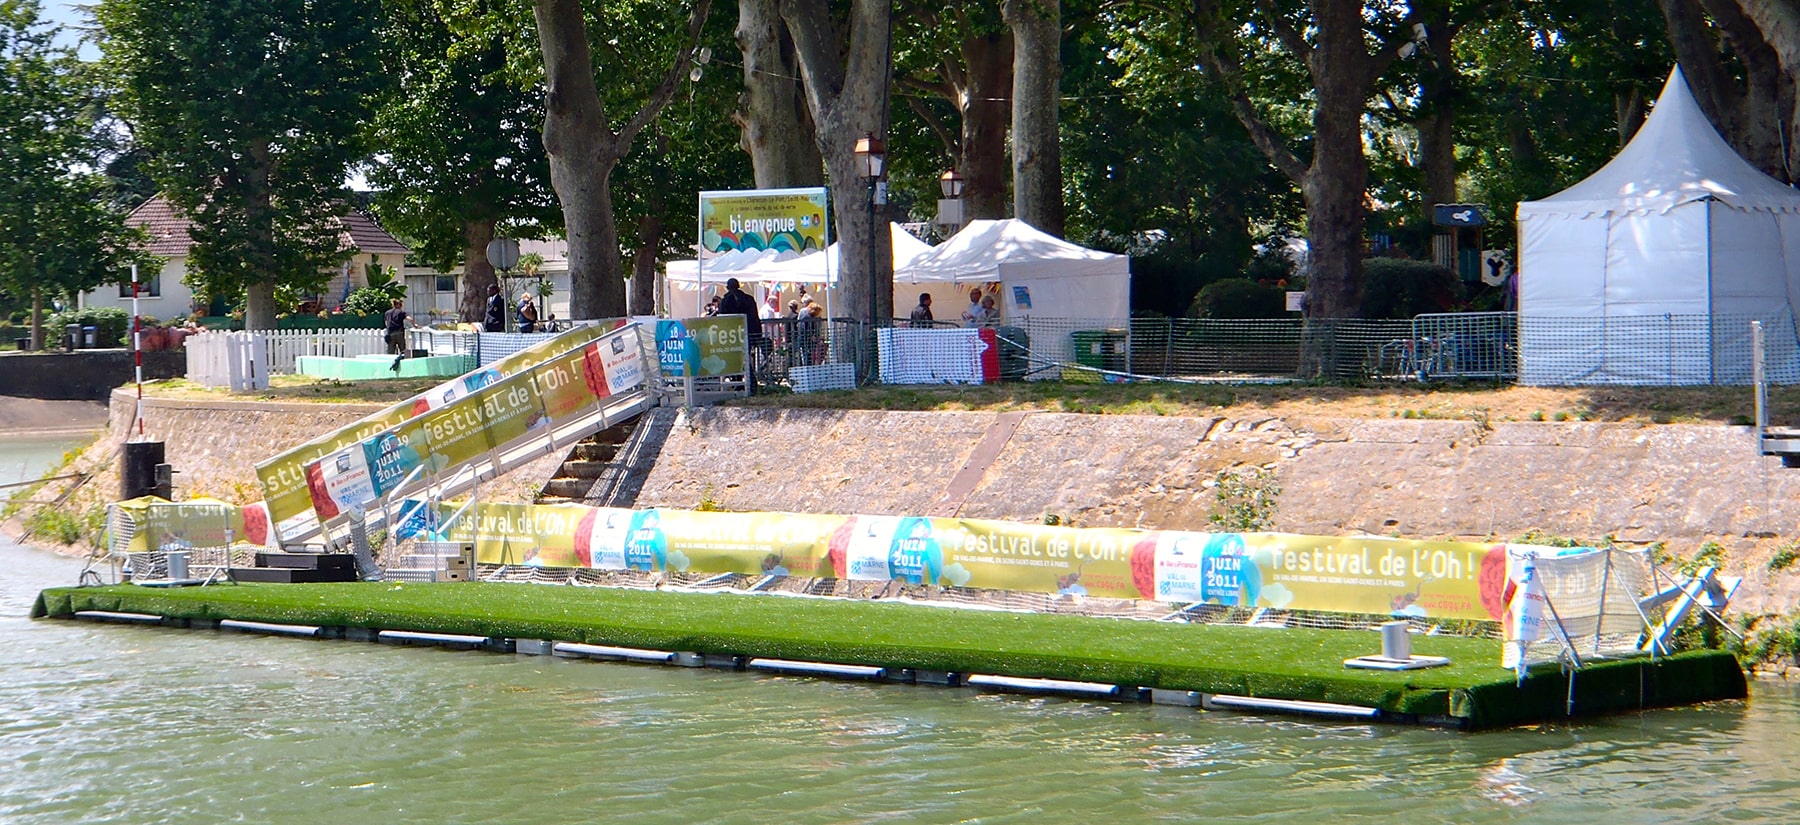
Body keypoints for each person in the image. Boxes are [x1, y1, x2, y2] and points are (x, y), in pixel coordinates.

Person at [717, 277, 764, 392]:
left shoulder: (726, 300)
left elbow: (722, 316)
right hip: (748, 332)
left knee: (738, 359)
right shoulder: (748, 299)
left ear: (727, 288)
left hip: (733, 334)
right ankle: (748, 383)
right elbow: (754, 317)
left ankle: (745, 383)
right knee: (744, 359)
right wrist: (758, 333)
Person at [383, 298, 417, 369]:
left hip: (390, 334)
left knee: (390, 352)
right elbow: (409, 319)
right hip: (399, 333)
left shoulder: (387, 313)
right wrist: (415, 325)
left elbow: (386, 323)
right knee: (403, 350)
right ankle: (404, 366)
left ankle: (391, 366)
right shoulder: (401, 312)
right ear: (399, 305)